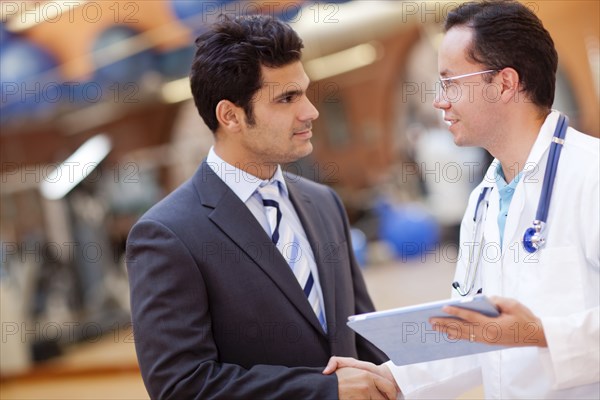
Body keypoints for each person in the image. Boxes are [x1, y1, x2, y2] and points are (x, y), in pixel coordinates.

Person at [323, 1, 599, 398]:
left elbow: (524, 335)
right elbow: (474, 338)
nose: (439, 101)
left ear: (505, 83)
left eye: (451, 82)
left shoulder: (592, 176)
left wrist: (540, 333)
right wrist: (391, 378)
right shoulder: (484, 200)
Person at [126, 14, 396, 400]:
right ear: (230, 116)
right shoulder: (168, 235)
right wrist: (324, 391)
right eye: (287, 99)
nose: (310, 111)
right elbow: (180, 386)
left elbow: (360, 334)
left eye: (303, 92)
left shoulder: (324, 203)